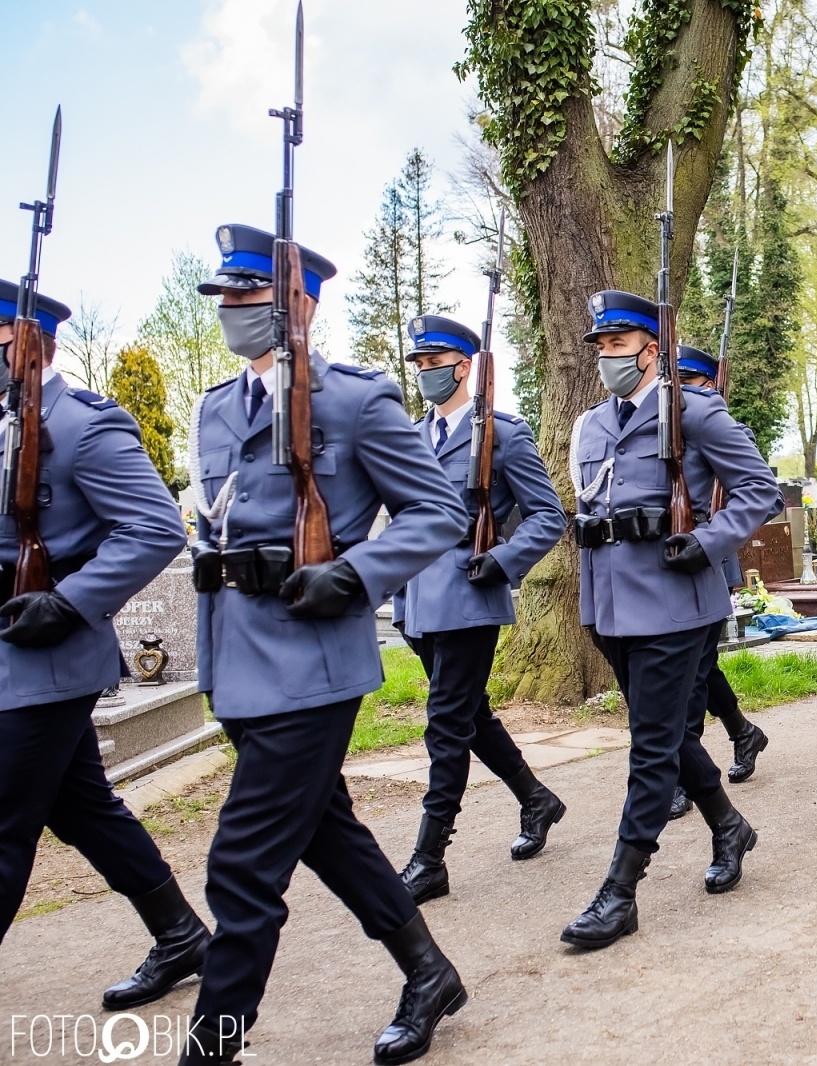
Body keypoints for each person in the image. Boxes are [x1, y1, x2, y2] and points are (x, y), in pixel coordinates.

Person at [185, 224, 471, 1065]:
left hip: (312, 663)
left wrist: (355, 574)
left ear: (298, 304)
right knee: (324, 829)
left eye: (250, 295)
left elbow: (438, 513)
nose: (235, 311)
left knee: (241, 869)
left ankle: (213, 1046)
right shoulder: (214, 408)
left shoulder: (353, 399)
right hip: (238, 659)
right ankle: (428, 971)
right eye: (227, 298)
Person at [0, 284, 207, 1011]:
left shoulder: (83, 425)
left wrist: (69, 601)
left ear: (29, 347)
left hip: (48, 660)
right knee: (80, 805)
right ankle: (180, 933)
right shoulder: (7, 427)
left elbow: (154, 526)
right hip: (13, 655)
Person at [561, 292, 777, 948]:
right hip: (610, 606)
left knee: (651, 746)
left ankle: (620, 890)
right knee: (665, 736)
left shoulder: (696, 413)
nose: (607, 358)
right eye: (601, 346)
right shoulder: (593, 424)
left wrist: (711, 542)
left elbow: (759, 490)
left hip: (676, 605)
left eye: (619, 346)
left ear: (653, 350)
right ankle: (729, 825)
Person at [388, 315, 568, 905]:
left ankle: (429, 856)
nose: (424, 375)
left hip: (468, 597)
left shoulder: (504, 435)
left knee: (445, 724)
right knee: (469, 716)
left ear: (465, 366)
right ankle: (537, 798)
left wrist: (505, 560)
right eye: (418, 365)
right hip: (418, 600)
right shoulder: (412, 436)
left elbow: (548, 515)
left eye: (434, 364)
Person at [666, 343, 780, 819]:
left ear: (709, 386)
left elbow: (763, 497)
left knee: (691, 676)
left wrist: (714, 521)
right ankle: (742, 732)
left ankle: (681, 773)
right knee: (700, 667)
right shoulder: (663, 430)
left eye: (689, 385)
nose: (679, 394)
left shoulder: (727, 430)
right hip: (670, 565)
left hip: (710, 563)